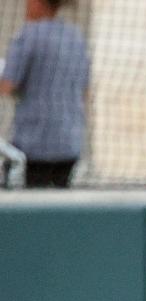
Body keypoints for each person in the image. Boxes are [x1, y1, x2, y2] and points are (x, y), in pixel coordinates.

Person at [0, 0, 89, 188]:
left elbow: (7, 85)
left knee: (29, 206)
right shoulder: (76, 38)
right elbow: (84, 90)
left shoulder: (28, 36)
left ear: (37, 3)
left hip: (34, 143)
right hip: (69, 143)